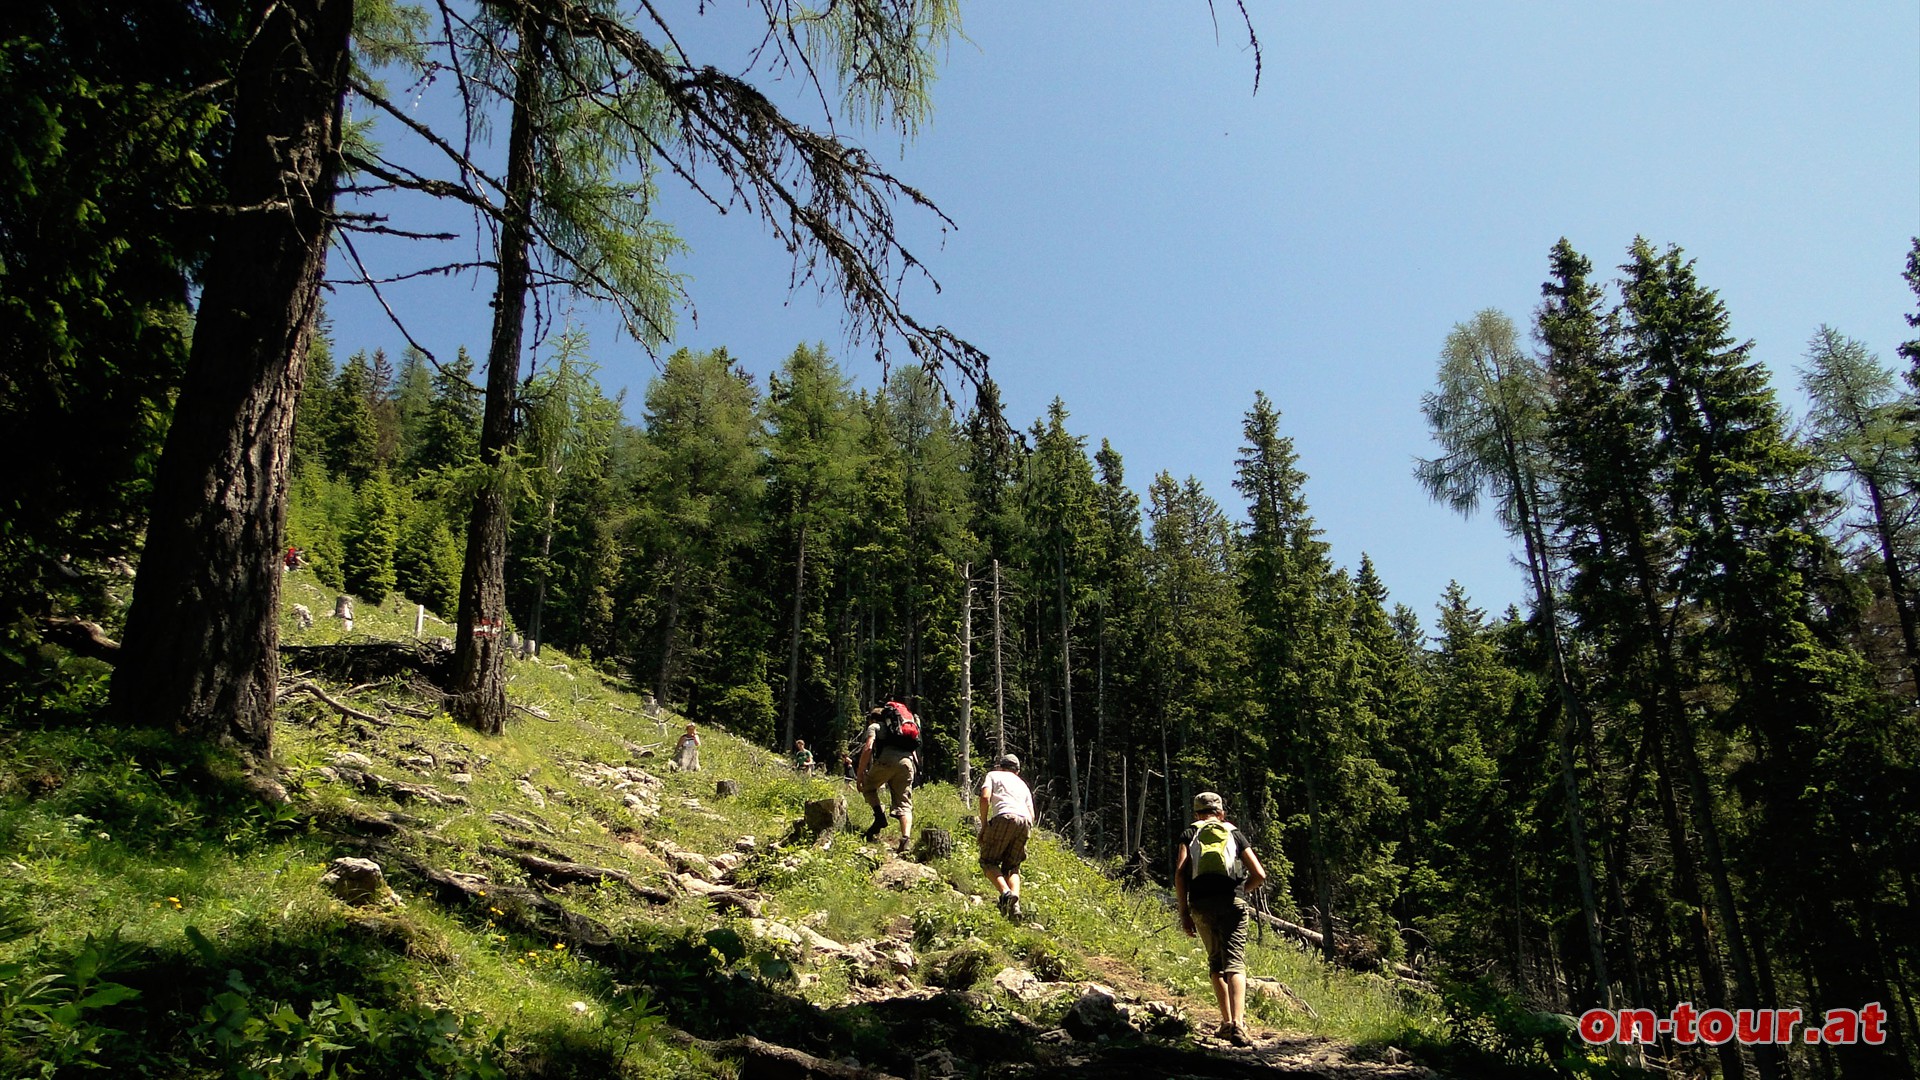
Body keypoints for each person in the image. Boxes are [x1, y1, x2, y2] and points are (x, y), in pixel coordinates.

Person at [1175, 791, 1267, 1047]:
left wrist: (1184, 912)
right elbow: (1259, 874)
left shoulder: (1189, 833)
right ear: (1221, 813)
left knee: (1216, 962)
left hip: (1201, 904)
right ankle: (1239, 1023)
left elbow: (1180, 874)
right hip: (1232, 903)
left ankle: (1226, 1022)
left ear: (1196, 814)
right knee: (1235, 963)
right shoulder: (1233, 832)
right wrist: (1241, 891)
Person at [976, 754, 1034, 919]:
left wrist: (985, 824)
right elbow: (1032, 815)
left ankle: (1006, 893)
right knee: (1012, 866)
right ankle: (1015, 905)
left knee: (988, 861)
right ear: (1017, 770)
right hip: (1025, 822)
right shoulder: (1023, 785)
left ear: (1000, 766)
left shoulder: (993, 775)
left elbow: (985, 797)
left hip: (1004, 816)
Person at [855, 702, 918, 850]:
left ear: (873, 719)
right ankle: (905, 839)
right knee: (904, 802)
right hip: (907, 763)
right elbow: (914, 751)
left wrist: (860, 774)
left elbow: (868, 748)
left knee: (868, 788)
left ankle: (880, 817)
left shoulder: (875, 727)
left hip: (886, 761)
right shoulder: (902, 731)